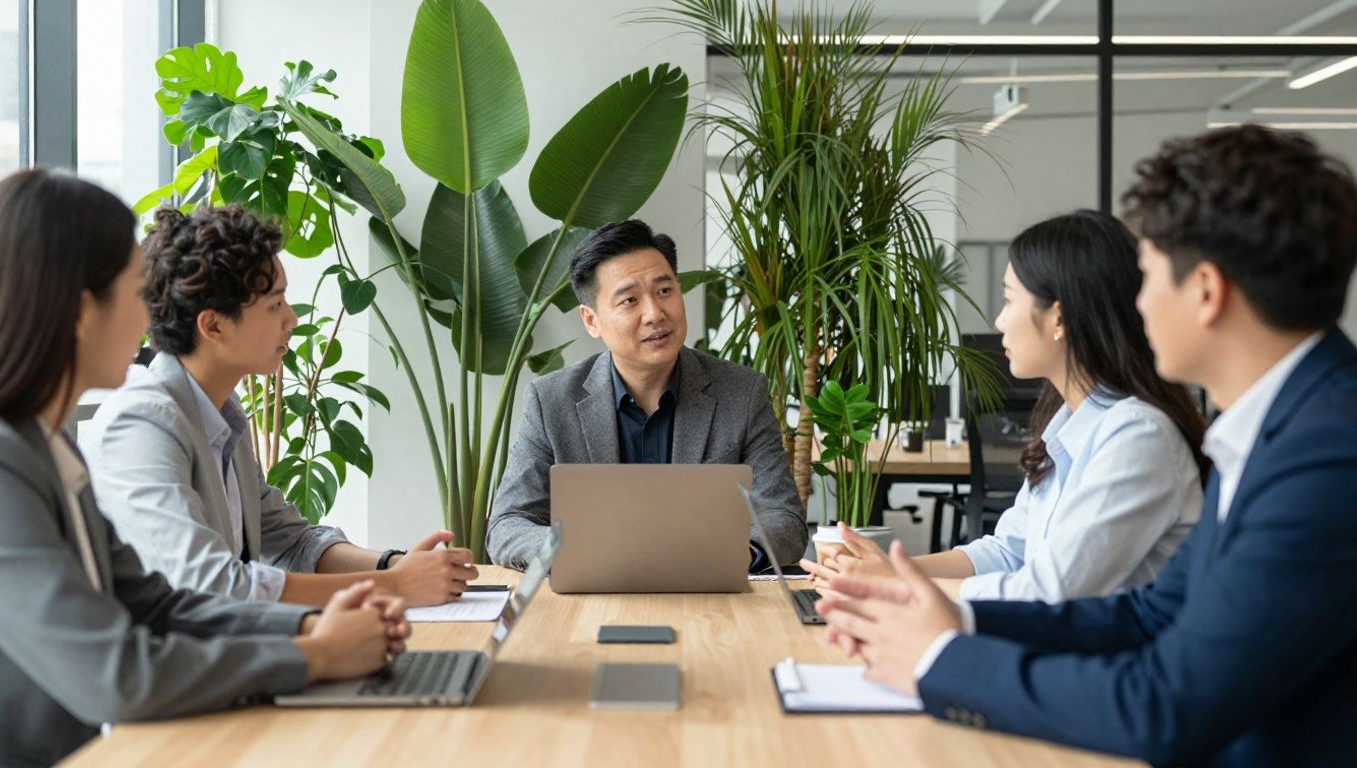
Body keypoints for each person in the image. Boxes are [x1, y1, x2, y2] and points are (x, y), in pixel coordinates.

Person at [816, 125, 1357, 767]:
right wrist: (955, 623)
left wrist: (939, 660)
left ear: (1206, 292)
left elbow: (1166, 706)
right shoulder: (1280, 429)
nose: (1137, 303)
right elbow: (1149, 616)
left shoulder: (1327, 454)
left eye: (1148, 277)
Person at [0, 169, 409, 767]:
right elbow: (118, 674)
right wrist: (314, 655)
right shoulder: (1, 466)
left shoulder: (49, 449)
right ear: (83, 311)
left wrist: (311, 629)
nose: (152, 319)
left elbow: (159, 606)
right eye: (136, 294)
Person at [81, 204, 477, 607]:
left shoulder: (221, 415)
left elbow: (293, 543)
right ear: (214, 325)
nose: (290, 318)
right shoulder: (141, 424)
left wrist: (396, 566)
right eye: (274, 304)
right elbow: (209, 584)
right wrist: (395, 587)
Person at [802, 210, 1207, 603]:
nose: (998, 322)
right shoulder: (1068, 427)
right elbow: (1005, 553)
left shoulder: (1137, 436)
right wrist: (892, 570)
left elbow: (1049, 594)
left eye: (1009, 300)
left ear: (1058, 318)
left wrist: (896, 585)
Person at [486, 219, 807, 570]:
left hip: (707, 600)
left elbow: (783, 519)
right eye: (629, 300)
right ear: (591, 321)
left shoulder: (742, 393)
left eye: (664, 291)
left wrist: (727, 552)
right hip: (592, 600)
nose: (655, 314)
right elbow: (507, 526)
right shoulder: (551, 402)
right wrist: (577, 549)